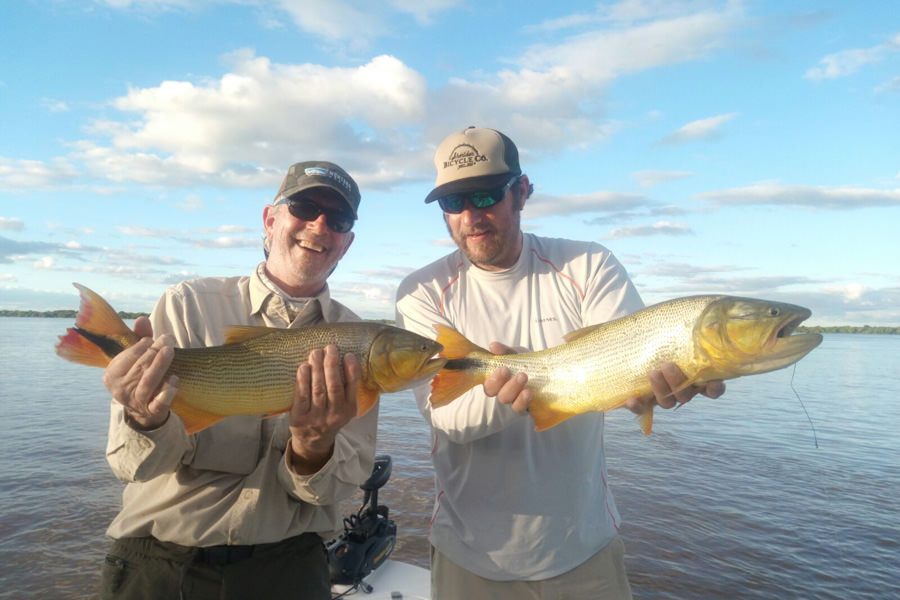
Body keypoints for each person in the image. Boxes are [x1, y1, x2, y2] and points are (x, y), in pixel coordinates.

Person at [395, 127, 725, 600]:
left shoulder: (588, 265)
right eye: (453, 202)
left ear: (523, 191)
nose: (471, 216)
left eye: (486, 194)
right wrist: (512, 391)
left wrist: (658, 388)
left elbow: (630, 375)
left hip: (583, 553)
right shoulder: (423, 292)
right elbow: (448, 419)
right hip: (468, 557)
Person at [99, 161, 377, 600]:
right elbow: (134, 468)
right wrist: (143, 419)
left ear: (347, 243)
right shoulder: (186, 304)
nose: (320, 225)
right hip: (160, 563)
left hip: (288, 567)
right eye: (304, 207)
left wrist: (312, 446)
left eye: (338, 219)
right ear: (271, 220)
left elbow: (334, 490)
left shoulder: (361, 345)